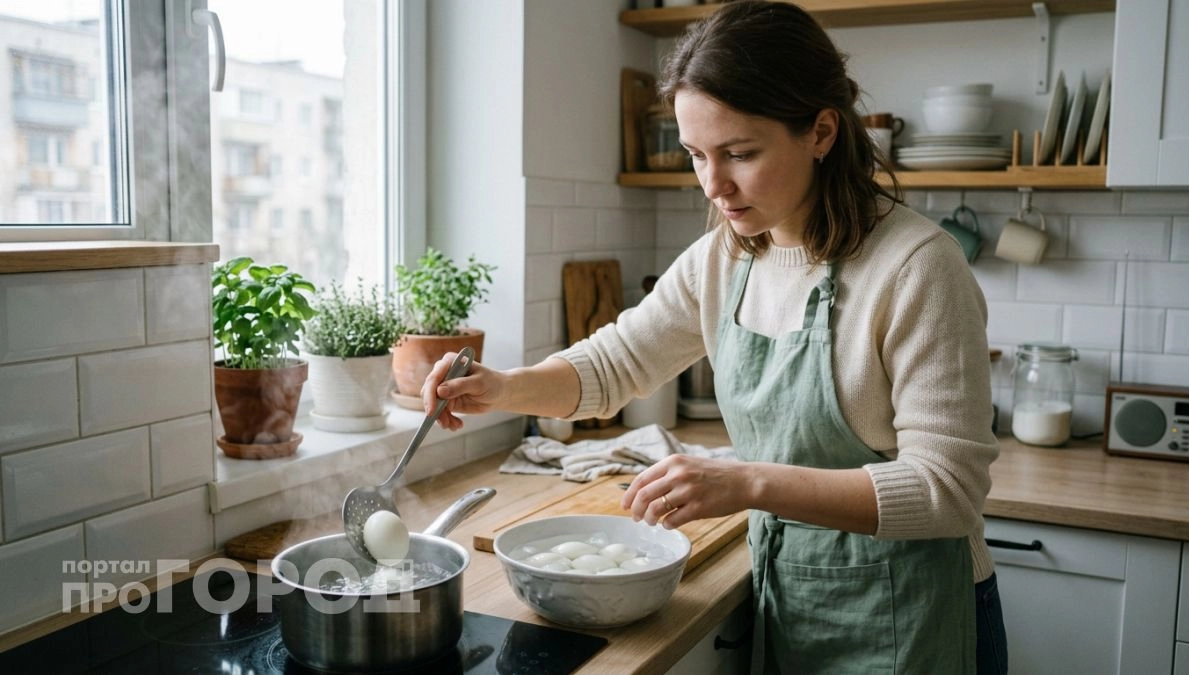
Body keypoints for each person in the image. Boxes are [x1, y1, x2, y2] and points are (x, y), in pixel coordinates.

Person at [422, 1, 1005, 672]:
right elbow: (614, 364)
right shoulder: (725, 258)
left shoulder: (918, 267)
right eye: (697, 154)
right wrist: (501, 388)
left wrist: (745, 481)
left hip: (917, 614)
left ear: (820, 131)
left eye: (740, 153)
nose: (714, 184)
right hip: (795, 601)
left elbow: (946, 490)